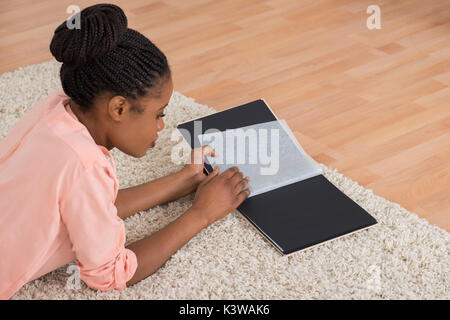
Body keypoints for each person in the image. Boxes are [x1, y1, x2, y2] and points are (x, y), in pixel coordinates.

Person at [0, 3, 250, 299]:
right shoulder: (85, 165)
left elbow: (96, 207)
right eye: (159, 114)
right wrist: (201, 214)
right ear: (118, 107)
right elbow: (112, 273)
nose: (161, 126)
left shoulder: (52, 110)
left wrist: (187, 178)